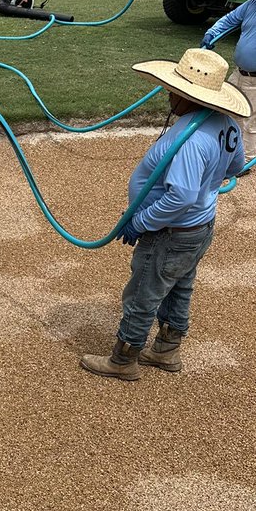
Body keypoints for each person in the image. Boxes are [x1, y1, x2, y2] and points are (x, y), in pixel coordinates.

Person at [80, 47, 248, 381]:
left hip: (171, 233)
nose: (168, 95)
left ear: (188, 96)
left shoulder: (191, 140)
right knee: (180, 285)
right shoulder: (225, 124)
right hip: (199, 228)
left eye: (174, 90)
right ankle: (166, 350)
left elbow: (180, 197)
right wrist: (210, 180)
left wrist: (140, 221)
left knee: (144, 290)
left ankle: (123, 360)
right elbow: (237, 166)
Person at [202, 0, 256, 170]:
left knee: (249, 121)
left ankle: (245, 162)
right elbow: (229, 19)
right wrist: (212, 32)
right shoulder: (252, 3)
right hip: (239, 73)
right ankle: (227, 152)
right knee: (226, 111)